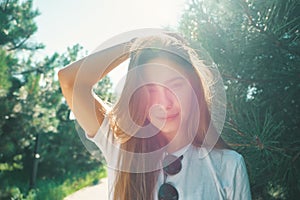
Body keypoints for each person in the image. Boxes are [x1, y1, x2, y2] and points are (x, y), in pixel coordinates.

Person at [58, 30, 251, 200]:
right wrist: (136, 44)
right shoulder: (122, 149)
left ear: (194, 89)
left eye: (175, 85)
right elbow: (70, 81)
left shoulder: (228, 165)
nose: (164, 103)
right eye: (151, 89)